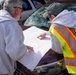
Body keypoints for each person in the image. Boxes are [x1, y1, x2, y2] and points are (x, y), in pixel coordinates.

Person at [38, 2, 76, 75]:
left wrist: (52, 34)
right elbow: (68, 32)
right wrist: (48, 33)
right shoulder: (73, 17)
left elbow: (58, 49)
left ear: (52, 17)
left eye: (48, 17)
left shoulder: (55, 27)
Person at [0, 0, 33, 75]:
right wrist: (23, 48)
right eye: (22, 9)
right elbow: (16, 53)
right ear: (17, 9)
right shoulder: (10, 24)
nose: (21, 12)